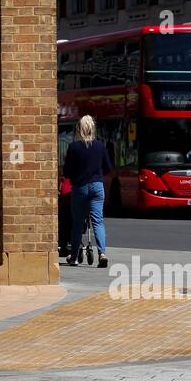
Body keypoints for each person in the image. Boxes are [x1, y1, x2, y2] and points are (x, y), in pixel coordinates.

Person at [62, 114, 112, 268]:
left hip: (80, 187)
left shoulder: (74, 147)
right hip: (97, 186)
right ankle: (102, 253)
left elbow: (67, 172)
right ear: (92, 128)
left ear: (79, 129)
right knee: (98, 221)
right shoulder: (100, 146)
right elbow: (108, 168)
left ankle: (75, 257)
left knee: (77, 222)